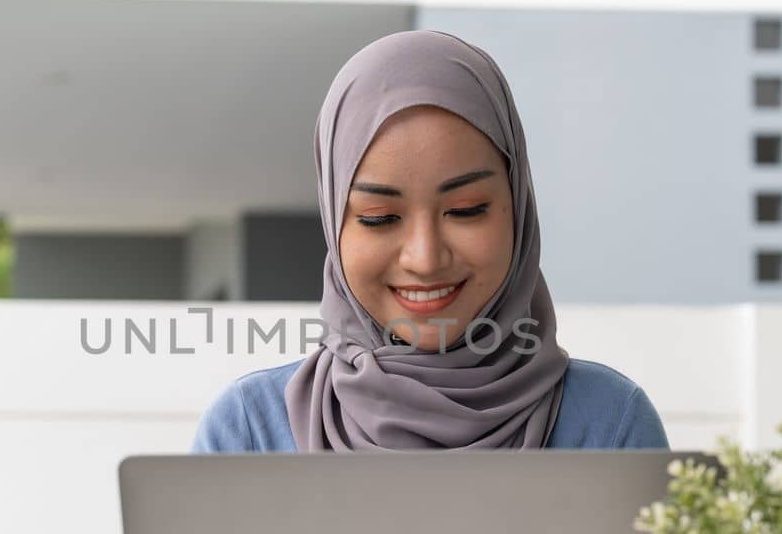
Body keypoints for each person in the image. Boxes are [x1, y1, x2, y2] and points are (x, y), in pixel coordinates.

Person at [191, 29, 668, 453]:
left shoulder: (611, 426)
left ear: (518, 208)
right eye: (380, 218)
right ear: (336, 225)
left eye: (466, 210)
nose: (425, 258)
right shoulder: (249, 433)